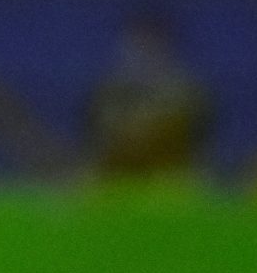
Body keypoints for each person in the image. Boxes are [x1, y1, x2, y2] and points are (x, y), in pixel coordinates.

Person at [86, 11, 210, 179]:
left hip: (173, 181)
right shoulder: (106, 94)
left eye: (150, 47)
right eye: (137, 46)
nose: (142, 55)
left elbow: (189, 144)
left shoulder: (190, 94)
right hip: (116, 181)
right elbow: (102, 142)